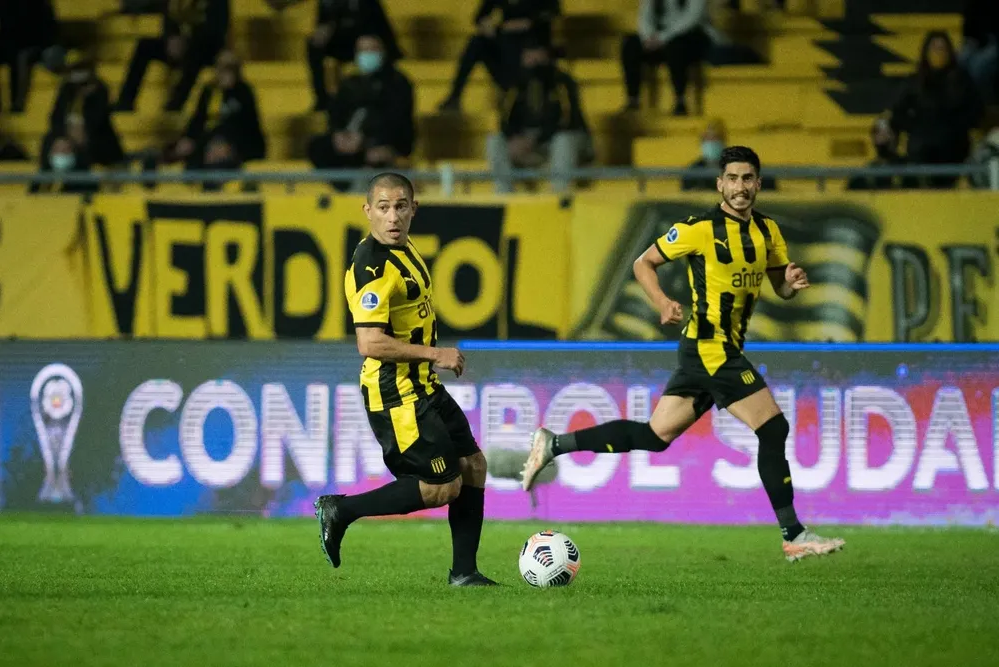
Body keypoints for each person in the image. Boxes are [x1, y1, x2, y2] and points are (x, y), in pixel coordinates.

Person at [520, 146, 846, 563]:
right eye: (733, 178)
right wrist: (661, 302)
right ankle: (794, 533)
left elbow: (779, 286)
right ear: (720, 184)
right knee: (773, 428)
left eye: (748, 178)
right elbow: (643, 263)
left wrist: (791, 283)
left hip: (714, 351)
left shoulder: (768, 231)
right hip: (710, 347)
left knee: (655, 437)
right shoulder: (698, 229)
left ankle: (554, 443)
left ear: (758, 183)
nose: (740, 187)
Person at [314, 173, 497, 587]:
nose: (392, 217)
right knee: (442, 487)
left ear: (414, 209)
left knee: (472, 466)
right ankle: (340, 510)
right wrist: (436, 354)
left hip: (423, 385)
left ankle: (464, 573)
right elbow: (369, 342)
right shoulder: (373, 267)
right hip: (395, 392)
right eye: (383, 207)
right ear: (367, 211)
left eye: (400, 207)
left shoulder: (405, 248)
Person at [306, 34, 414, 191]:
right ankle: (345, 188)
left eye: (372, 49)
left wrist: (368, 139)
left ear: (383, 52)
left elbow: (398, 121)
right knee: (317, 146)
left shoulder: (398, 83)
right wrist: (339, 135)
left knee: (377, 157)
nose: (367, 54)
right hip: (351, 145)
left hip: (381, 143)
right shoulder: (350, 84)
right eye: (362, 50)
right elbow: (336, 115)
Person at [144, 50, 265, 190]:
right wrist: (188, 138)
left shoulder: (244, 93)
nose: (224, 74)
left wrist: (224, 143)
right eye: (221, 68)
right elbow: (198, 119)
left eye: (229, 69)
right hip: (205, 139)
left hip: (237, 144)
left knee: (216, 153)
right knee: (181, 148)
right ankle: (153, 174)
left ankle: (207, 181)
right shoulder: (209, 91)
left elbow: (246, 127)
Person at [486, 38, 592, 193]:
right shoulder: (515, 84)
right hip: (528, 142)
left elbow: (568, 120)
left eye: (536, 55)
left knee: (563, 140)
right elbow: (504, 119)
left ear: (546, 56)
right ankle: (504, 193)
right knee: (494, 141)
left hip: (563, 140)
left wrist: (533, 140)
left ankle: (558, 194)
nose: (532, 60)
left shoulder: (562, 82)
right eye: (528, 56)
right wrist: (514, 138)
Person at [890, 31, 982, 189]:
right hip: (922, 146)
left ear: (950, 52)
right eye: (935, 48)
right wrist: (916, 127)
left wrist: (956, 126)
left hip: (953, 146)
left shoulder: (962, 80)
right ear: (926, 52)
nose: (938, 53)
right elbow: (898, 113)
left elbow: (976, 112)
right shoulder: (914, 81)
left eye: (942, 48)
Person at [438, 0, 561, 112]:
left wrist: (525, 24)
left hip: (533, 52)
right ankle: (455, 97)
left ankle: (525, 100)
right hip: (505, 51)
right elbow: (480, 17)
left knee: (524, 48)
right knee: (476, 42)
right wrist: (488, 25)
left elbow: (552, 16)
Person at [115, 0, 230, 112]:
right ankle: (125, 101)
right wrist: (171, 37)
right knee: (145, 46)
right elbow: (169, 17)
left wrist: (189, 41)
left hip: (206, 49)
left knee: (196, 52)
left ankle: (176, 105)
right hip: (179, 44)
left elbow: (216, 29)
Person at [304, 0, 401, 111]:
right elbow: (323, 22)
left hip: (364, 34)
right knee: (314, 45)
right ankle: (323, 99)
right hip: (338, 38)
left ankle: (380, 95)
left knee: (372, 45)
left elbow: (379, 23)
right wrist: (323, 30)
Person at [621, 0, 713, 114]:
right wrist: (648, 38)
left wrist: (663, 37)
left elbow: (692, 18)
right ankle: (633, 99)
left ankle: (680, 100)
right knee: (630, 44)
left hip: (690, 37)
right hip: (660, 39)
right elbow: (645, 17)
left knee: (676, 46)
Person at [42, 51, 123, 171]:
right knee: (51, 140)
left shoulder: (100, 90)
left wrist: (82, 130)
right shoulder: (66, 89)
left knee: (87, 143)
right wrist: (64, 134)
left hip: (92, 135)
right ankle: (43, 177)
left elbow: (98, 119)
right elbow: (55, 116)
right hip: (67, 133)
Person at [682, 119, 776, 192]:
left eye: (716, 138)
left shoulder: (742, 165)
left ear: (724, 142)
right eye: (707, 139)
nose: (711, 144)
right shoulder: (692, 171)